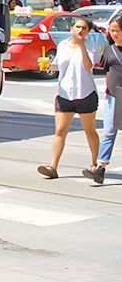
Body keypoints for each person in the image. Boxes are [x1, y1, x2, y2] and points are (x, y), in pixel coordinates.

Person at [39, 16, 100, 179]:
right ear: (71, 28)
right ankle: (53, 166)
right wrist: (45, 65)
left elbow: (89, 66)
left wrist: (81, 46)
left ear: (88, 31)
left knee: (90, 130)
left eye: (84, 28)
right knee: (59, 131)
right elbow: (58, 65)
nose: (80, 31)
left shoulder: (90, 45)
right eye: (78, 27)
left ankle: (95, 165)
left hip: (85, 93)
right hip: (65, 94)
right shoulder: (63, 45)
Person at [86, 16, 122, 183]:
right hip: (113, 96)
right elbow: (108, 72)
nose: (113, 33)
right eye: (111, 30)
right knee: (108, 131)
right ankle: (100, 168)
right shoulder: (109, 49)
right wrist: (107, 92)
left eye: (117, 30)